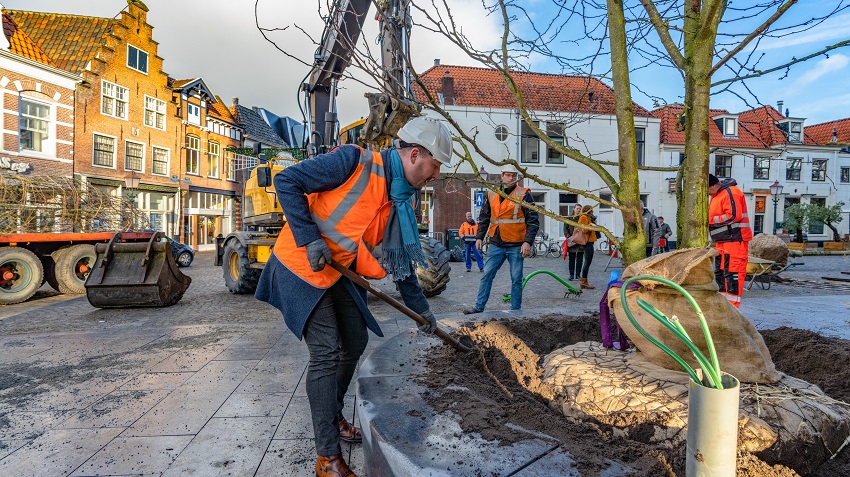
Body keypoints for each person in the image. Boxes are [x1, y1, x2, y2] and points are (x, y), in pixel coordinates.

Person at [255, 116, 453, 477]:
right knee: (326, 351)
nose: (436, 174)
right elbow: (287, 181)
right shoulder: (353, 161)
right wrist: (310, 238)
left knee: (356, 337)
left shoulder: (400, 200)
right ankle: (327, 458)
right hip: (301, 263)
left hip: (337, 269)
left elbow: (404, 267)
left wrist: (424, 312)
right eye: (435, 165)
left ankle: (332, 420)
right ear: (413, 155)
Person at [463, 164, 539, 314]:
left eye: (513, 176)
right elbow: (484, 218)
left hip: (516, 244)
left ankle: (515, 310)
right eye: (508, 175)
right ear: (502, 176)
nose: (511, 178)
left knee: (516, 279)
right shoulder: (491, 194)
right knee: (487, 275)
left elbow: (533, 221)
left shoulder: (524, 195)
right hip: (496, 243)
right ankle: (479, 307)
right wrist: (479, 237)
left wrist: (527, 242)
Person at [708, 173, 753, 308]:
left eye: (708, 190)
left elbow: (733, 216)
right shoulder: (718, 195)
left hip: (734, 240)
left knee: (732, 274)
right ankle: (725, 308)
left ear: (714, 185)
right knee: (722, 273)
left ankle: (733, 308)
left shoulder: (729, 192)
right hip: (724, 241)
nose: (708, 194)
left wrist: (708, 221)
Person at [577, 204, 598, 289]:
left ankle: (584, 281)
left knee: (587, 262)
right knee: (587, 263)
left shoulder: (588, 217)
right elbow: (584, 230)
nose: (592, 212)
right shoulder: (584, 217)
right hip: (587, 242)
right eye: (591, 210)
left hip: (590, 242)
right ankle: (584, 281)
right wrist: (591, 225)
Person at [563, 204, 584, 280]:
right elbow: (565, 227)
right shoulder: (569, 218)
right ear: (574, 209)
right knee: (571, 259)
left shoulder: (582, 218)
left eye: (580, 209)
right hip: (572, 240)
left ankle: (578, 275)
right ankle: (571, 275)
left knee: (580, 259)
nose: (578, 210)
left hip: (581, 241)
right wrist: (567, 234)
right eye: (577, 208)